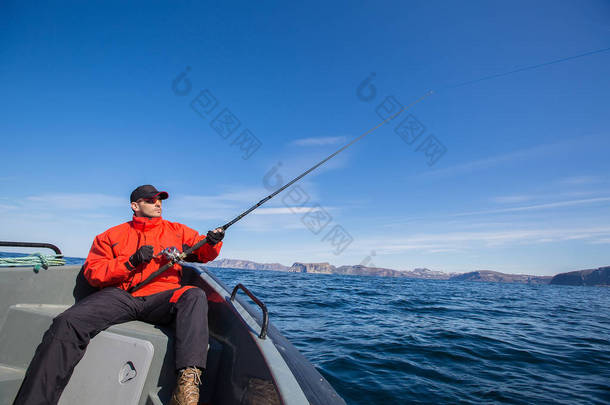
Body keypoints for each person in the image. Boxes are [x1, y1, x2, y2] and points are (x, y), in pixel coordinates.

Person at [13, 185, 224, 405]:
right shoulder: (110, 235)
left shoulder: (178, 230)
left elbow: (202, 252)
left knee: (194, 295)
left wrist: (212, 241)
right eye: (151, 200)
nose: (158, 203)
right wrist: (129, 262)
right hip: (122, 295)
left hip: (162, 297)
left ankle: (187, 388)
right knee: (68, 322)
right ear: (135, 205)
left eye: (160, 200)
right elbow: (94, 273)